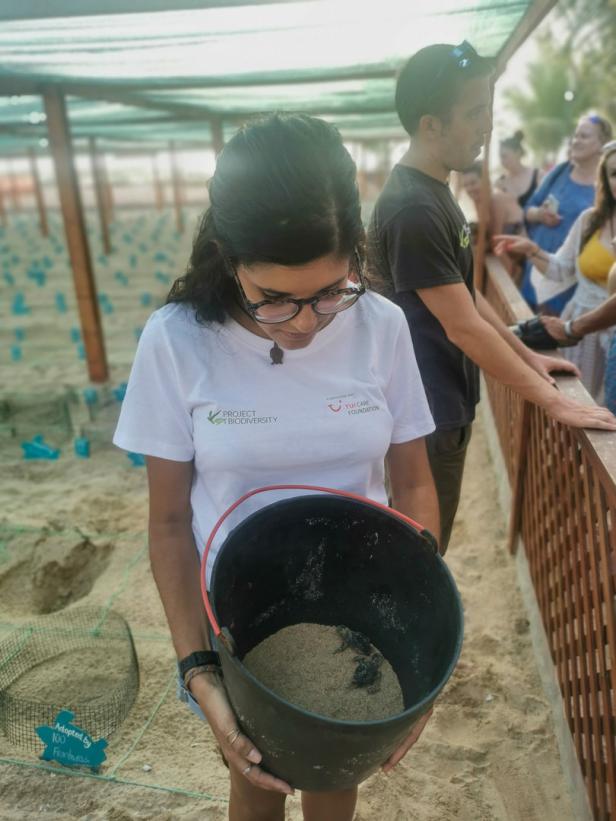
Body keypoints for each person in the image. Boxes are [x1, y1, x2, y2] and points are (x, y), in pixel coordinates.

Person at [113, 114, 439, 821]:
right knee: (256, 777)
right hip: (238, 614)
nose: (303, 324)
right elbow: (169, 521)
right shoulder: (178, 341)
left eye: (329, 291)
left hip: (354, 606)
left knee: (333, 776)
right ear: (227, 258)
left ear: (355, 249)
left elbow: (412, 480)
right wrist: (197, 666)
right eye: (272, 300)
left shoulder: (381, 327)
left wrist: (420, 635)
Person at [367, 42, 616, 554]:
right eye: (476, 112)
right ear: (430, 124)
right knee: (418, 555)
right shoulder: (413, 207)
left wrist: (529, 357)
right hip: (423, 410)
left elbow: (468, 296)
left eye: (489, 109)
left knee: (427, 547)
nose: (487, 126)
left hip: (441, 401)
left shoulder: (436, 191)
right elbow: (462, 325)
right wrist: (550, 402)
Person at [495, 140, 616, 401]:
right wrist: (531, 250)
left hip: (602, 335)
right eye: (614, 174)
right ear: (606, 181)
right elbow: (561, 269)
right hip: (582, 334)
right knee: (580, 407)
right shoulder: (589, 221)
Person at [521, 114, 613, 313]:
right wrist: (540, 215)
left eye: (584, 136)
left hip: (571, 287)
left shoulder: (605, 193)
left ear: (602, 144)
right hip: (540, 270)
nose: (576, 140)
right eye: (575, 135)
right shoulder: (561, 171)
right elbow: (529, 208)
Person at [495, 130, 540, 208]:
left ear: (518, 152)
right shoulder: (500, 183)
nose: (502, 161)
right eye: (500, 157)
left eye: (504, 156)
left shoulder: (538, 176)